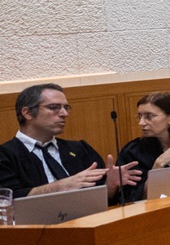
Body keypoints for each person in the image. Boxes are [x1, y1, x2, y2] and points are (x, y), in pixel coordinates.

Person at [0, 83, 140, 199]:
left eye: (66, 108)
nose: (64, 114)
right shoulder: (5, 155)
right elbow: (10, 198)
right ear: (28, 113)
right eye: (54, 107)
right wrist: (62, 186)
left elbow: (100, 199)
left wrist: (111, 185)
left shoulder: (80, 149)